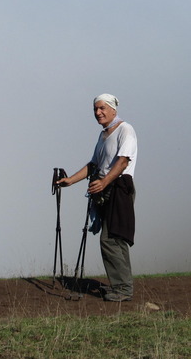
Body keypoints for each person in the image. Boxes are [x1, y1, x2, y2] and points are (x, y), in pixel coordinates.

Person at [57, 93, 137, 302]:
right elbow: (94, 164)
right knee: (116, 240)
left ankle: (122, 289)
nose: (98, 113)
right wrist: (71, 180)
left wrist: (103, 182)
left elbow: (123, 161)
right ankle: (123, 287)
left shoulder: (125, 130)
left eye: (102, 108)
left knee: (110, 239)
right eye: (95, 109)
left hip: (118, 187)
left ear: (113, 109)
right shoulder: (104, 135)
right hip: (107, 188)